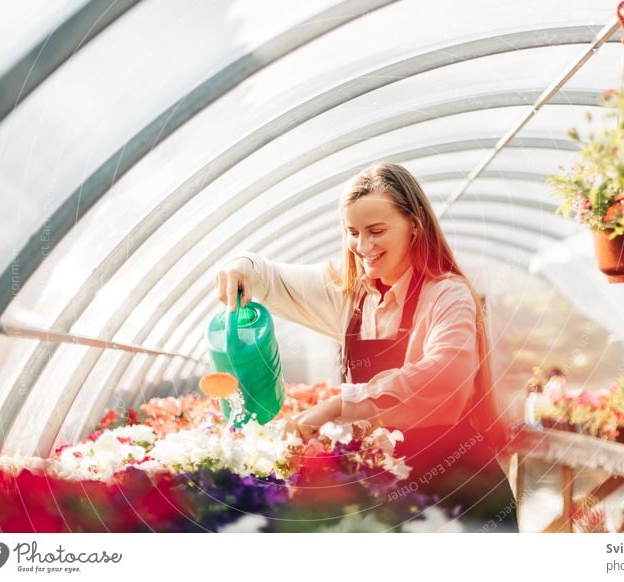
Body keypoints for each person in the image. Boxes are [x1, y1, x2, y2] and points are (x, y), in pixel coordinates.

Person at [214, 162, 516, 530]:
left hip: (461, 492)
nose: (362, 246)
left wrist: (339, 404)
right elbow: (271, 277)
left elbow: (444, 374)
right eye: (352, 232)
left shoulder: (447, 295)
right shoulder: (351, 295)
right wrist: (240, 266)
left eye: (376, 231)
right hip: (388, 491)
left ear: (415, 225)